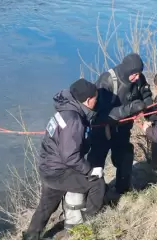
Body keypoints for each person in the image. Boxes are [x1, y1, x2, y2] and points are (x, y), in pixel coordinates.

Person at [22, 78, 106, 240]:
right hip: (60, 170)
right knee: (97, 183)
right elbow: (70, 156)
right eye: (96, 98)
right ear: (88, 100)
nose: (97, 101)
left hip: (48, 167)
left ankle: (31, 236)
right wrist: (90, 170)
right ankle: (88, 223)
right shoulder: (74, 120)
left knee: (46, 206)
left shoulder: (64, 110)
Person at [88, 53, 153, 195]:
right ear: (127, 71)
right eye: (134, 74)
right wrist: (130, 108)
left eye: (139, 74)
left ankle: (122, 192)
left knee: (125, 157)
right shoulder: (107, 81)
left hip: (122, 129)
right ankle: (94, 197)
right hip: (102, 131)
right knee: (96, 165)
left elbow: (146, 94)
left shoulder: (139, 79)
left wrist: (148, 105)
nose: (137, 77)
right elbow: (100, 114)